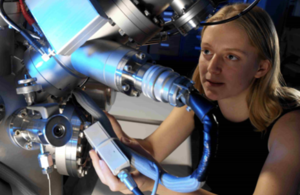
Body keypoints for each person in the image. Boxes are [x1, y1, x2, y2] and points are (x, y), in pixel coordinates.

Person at [89, 3, 300, 195]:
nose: (212, 68)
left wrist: (149, 183)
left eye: (231, 56)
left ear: (261, 68)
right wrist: (121, 142)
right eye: (207, 51)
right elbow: (153, 149)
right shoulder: (200, 98)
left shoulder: (291, 125)